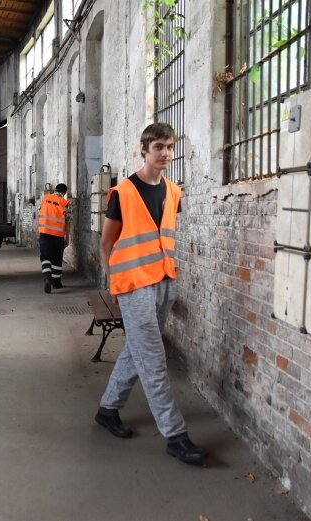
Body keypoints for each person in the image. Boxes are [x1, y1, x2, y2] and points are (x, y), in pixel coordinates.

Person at [95, 123, 209, 466]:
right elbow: (106, 244)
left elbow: (164, 237)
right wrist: (114, 283)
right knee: (155, 360)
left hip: (164, 282)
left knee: (139, 351)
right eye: (158, 146)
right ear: (143, 149)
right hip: (133, 286)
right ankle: (175, 435)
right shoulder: (124, 192)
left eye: (170, 147)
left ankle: (108, 409)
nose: (166, 153)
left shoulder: (174, 192)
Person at [37, 183, 69, 293]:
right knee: (57, 258)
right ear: (64, 193)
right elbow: (68, 221)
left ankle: (47, 277)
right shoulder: (65, 203)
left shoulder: (45, 198)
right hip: (58, 235)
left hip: (44, 233)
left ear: (55, 190)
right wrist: (67, 238)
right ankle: (56, 283)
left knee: (45, 256)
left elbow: (39, 213)